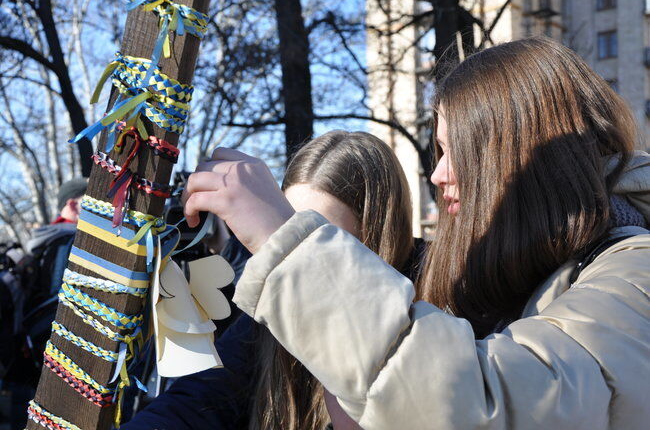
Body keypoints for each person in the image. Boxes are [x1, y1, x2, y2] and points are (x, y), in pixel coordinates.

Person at [181, 37, 650, 429]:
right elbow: (206, 394)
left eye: (454, 150)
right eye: (437, 152)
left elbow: (480, 405)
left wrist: (283, 242)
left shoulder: (633, 274)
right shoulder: (538, 274)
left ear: (511, 153)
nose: (439, 174)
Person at [125, 130, 419, 429]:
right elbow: (196, 401)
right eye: (287, 232)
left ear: (378, 238)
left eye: (324, 240)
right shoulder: (266, 323)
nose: (299, 255)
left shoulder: (426, 323)